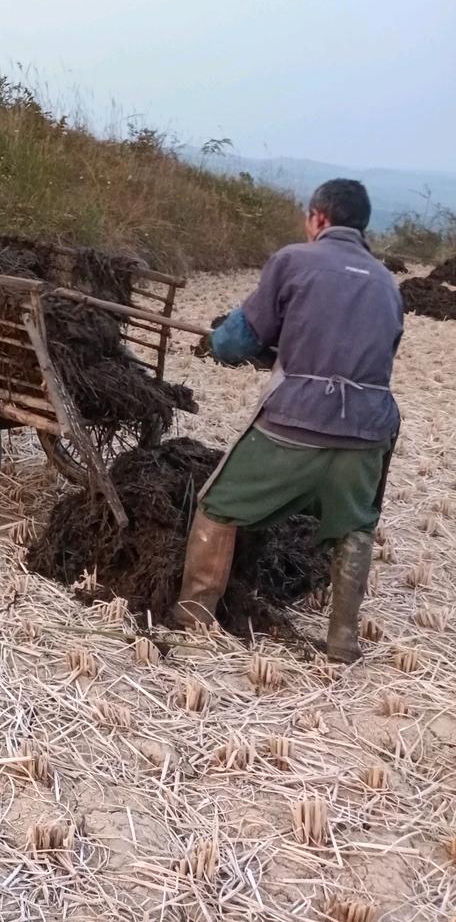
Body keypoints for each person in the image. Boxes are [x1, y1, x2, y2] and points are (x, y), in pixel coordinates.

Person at [173, 179, 403, 662]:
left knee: (218, 503)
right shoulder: (386, 282)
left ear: (319, 218)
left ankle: (193, 617)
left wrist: (220, 344)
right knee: (355, 527)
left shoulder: (294, 260)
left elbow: (236, 341)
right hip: (367, 432)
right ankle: (342, 639)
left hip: (296, 423)